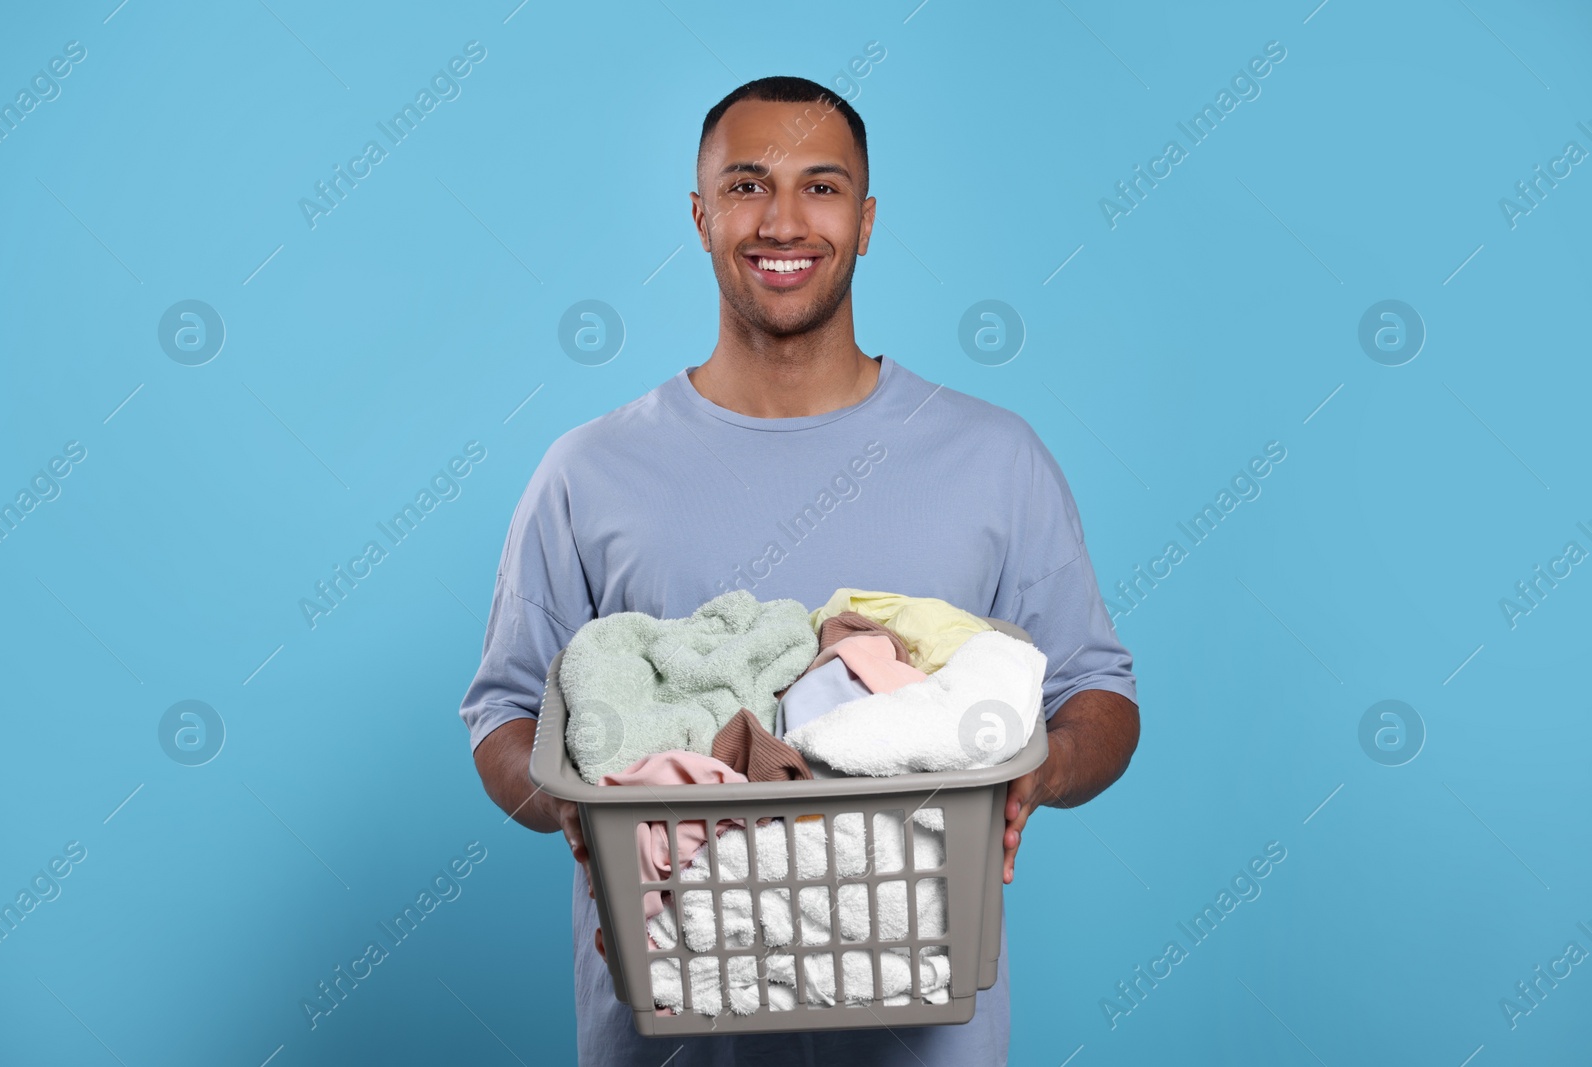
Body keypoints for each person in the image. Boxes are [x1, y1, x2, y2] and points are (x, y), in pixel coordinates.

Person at [460, 75, 1139, 1066]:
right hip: (664, 1032)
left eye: (820, 187)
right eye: (746, 185)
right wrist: (584, 803)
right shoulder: (588, 472)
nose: (782, 220)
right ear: (699, 217)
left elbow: (1097, 690)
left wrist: (1038, 768)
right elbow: (505, 712)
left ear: (864, 222)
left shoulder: (995, 458)